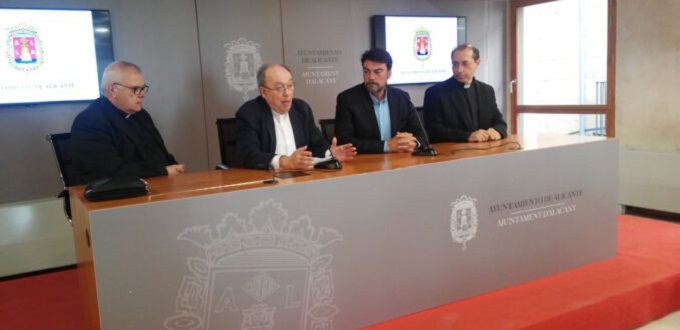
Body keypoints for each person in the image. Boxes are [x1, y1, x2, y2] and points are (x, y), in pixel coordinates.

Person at [70, 61, 185, 185]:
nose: (142, 95)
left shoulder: (142, 116)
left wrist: (175, 167)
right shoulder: (90, 122)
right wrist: (162, 171)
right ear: (113, 90)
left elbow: (161, 155)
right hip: (113, 197)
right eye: (135, 89)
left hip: (154, 188)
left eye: (143, 88)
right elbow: (110, 172)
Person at [235, 63, 356, 170]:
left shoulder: (301, 109)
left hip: (301, 178)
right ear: (263, 92)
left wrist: (329, 153)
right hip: (267, 182)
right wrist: (283, 162)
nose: (286, 93)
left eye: (290, 85)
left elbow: (317, 143)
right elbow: (248, 154)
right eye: (279, 88)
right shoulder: (249, 113)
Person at [335, 48, 426, 154]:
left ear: (389, 73)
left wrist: (414, 143)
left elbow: (422, 133)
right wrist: (386, 146)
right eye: (366, 71)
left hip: (399, 161)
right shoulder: (347, 99)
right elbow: (344, 141)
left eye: (377, 72)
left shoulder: (402, 97)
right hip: (365, 163)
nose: (371, 77)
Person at [423, 44, 508, 143]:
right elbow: (434, 131)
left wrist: (497, 131)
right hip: (452, 153)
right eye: (455, 64)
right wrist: (468, 136)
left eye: (465, 64)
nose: (459, 70)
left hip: (485, 152)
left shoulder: (487, 91)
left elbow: (499, 122)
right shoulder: (435, 93)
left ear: (477, 63)